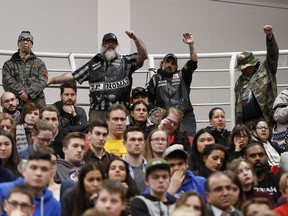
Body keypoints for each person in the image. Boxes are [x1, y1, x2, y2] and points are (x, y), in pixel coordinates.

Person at [47, 31, 147, 122]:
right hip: (97, 113)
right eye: (107, 43)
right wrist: (51, 80)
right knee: (95, 139)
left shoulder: (126, 61)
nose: (110, 45)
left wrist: (135, 38)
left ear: (117, 45)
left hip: (120, 110)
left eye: (113, 43)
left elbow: (143, 55)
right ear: (102, 45)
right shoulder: (93, 64)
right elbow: (73, 75)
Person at [147, 33, 198, 137]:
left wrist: (191, 45)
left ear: (176, 66)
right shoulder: (155, 79)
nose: (170, 65)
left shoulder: (183, 75)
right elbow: (149, 100)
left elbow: (193, 62)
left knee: (189, 142)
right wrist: (155, 112)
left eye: (173, 63)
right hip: (166, 118)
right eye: (167, 62)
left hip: (185, 116)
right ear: (162, 64)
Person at [234, 25, 279, 130]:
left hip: (266, 122)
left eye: (246, 67)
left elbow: (273, 54)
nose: (243, 70)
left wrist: (270, 37)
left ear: (253, 64)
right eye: (241, 68)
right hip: (246, 126)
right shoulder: (239, 82)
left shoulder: (266, 70)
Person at [0, 151, 61, 216]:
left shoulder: (54, 206)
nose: (38, 173)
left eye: (44, 169)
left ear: (51, 175)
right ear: (24, 170)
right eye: (33, 168)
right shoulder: (2, 191)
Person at [2, 31, 48, 110]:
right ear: (18, 44)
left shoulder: (40, 63)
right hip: (15, 105)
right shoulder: (8, 64)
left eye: (28, 40)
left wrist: (28, 92)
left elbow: (43, 80)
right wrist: (22, 92)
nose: (25, 42)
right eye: (22, 40)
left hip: (36, 104)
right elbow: (7, 82)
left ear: (32, 44)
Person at [123, 127, 147, 193]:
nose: (137, 143)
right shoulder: (117, 168)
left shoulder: (151, 168)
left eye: (140, 140)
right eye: (132, 140)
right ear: (124, 143)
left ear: (144, 143)